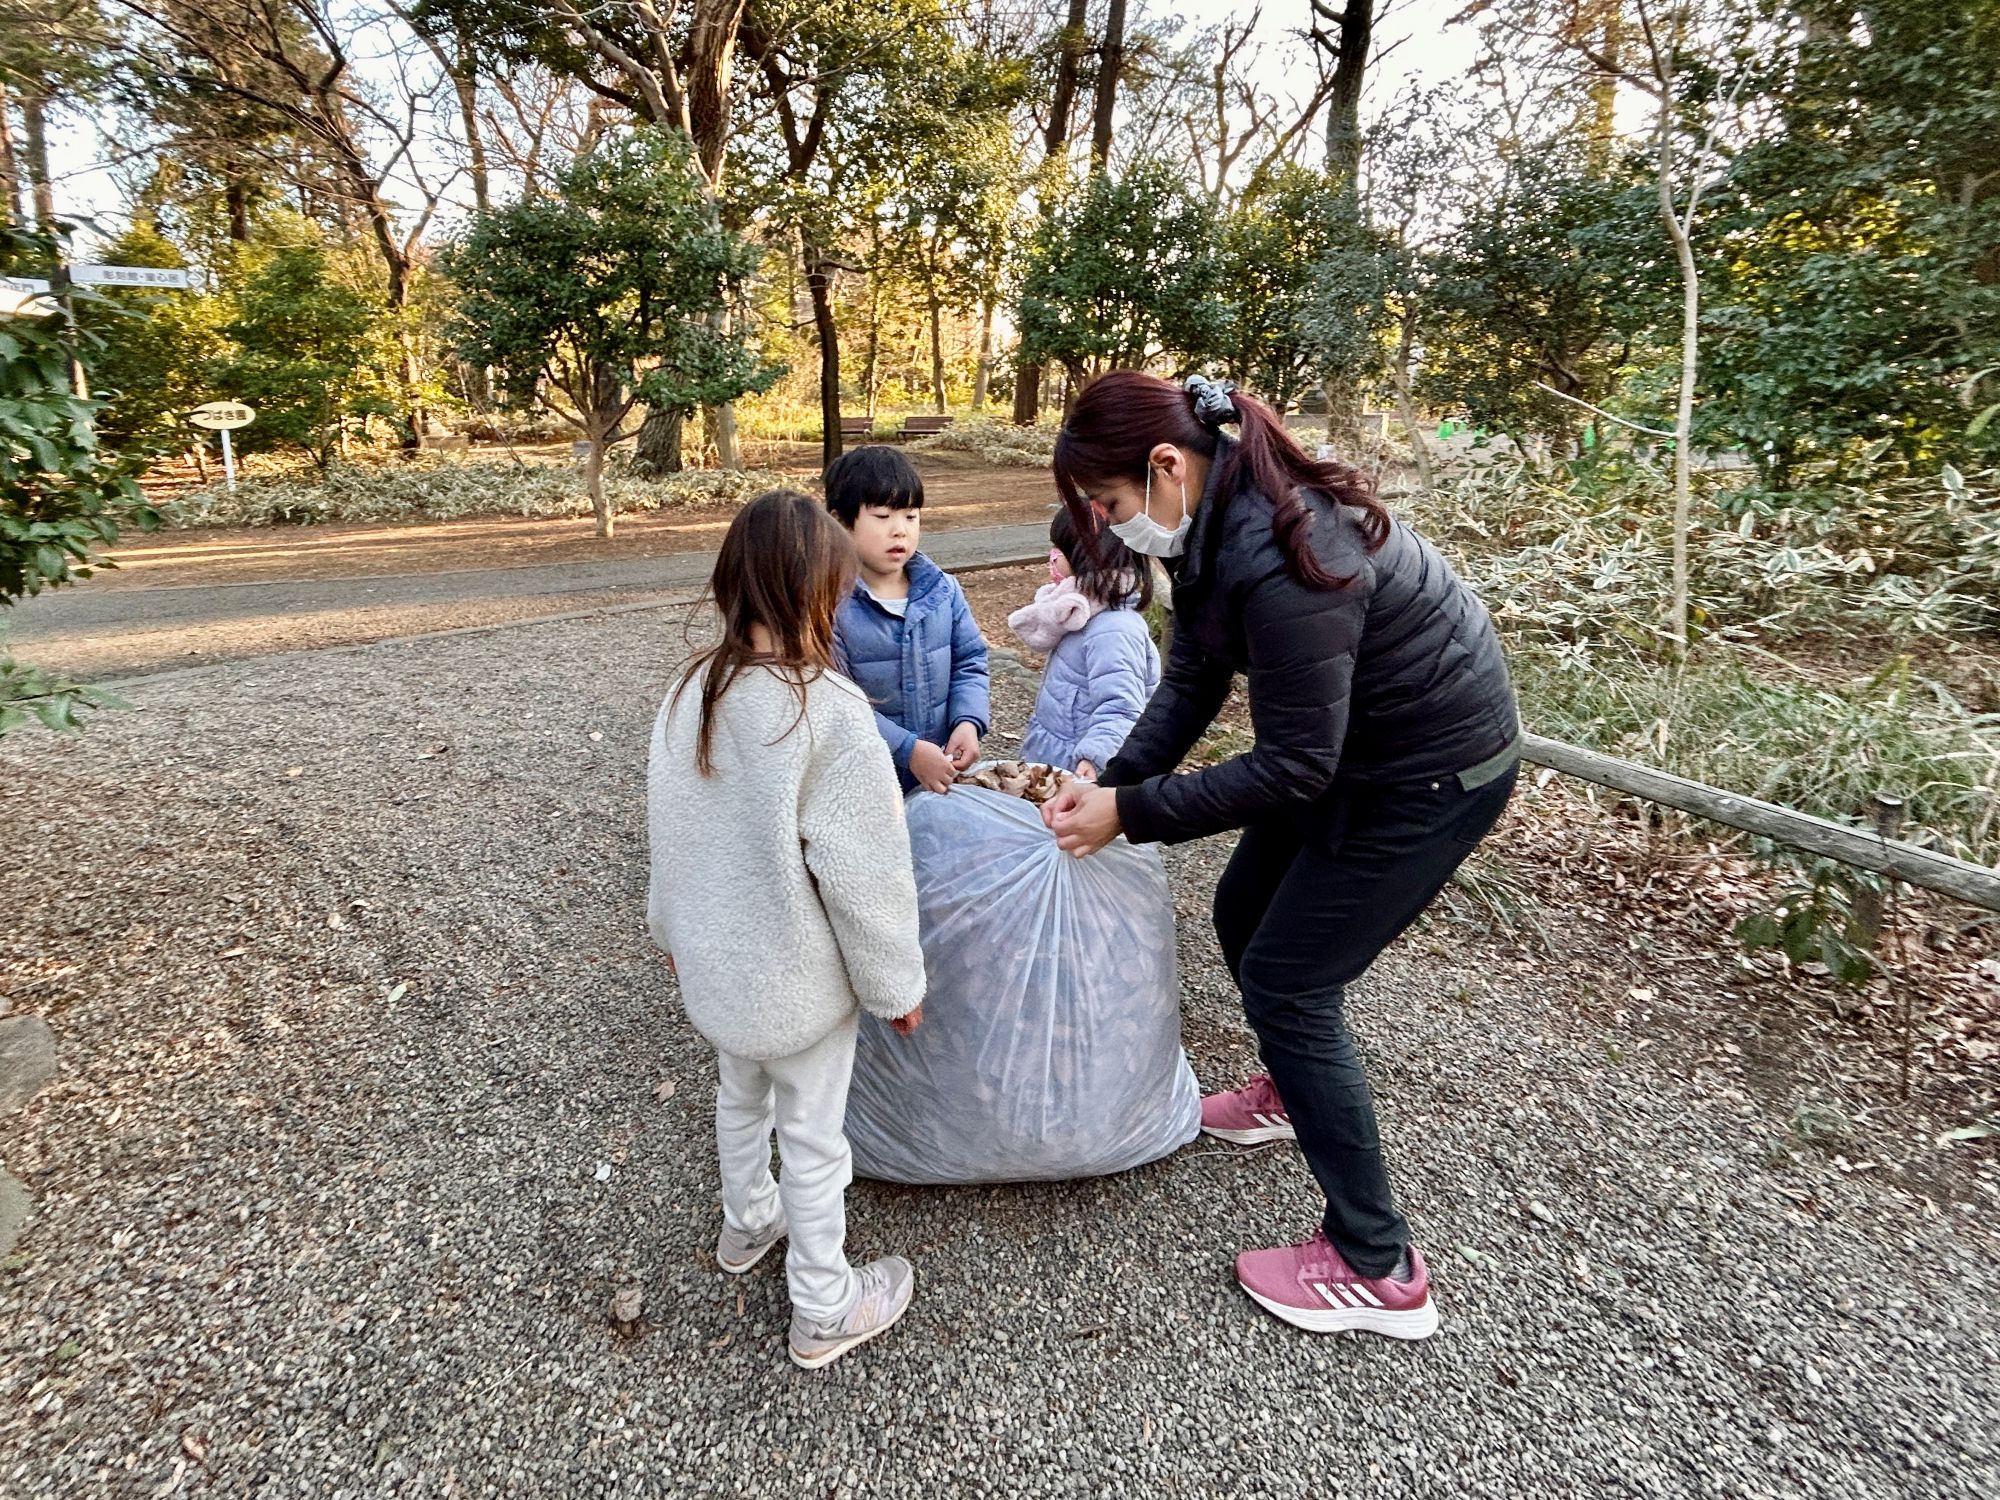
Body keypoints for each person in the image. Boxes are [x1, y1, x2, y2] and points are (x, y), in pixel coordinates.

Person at [1040, 372, 1520, 1342]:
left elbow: (1295, 767)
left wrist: (1131, 813)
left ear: (1166, 465)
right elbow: (1191, 677)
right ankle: (1293, 1092)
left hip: (1430, 775)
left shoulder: (1291, 549)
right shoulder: (1210, 525)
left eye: (1110, 504)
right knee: (1241, 910)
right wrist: (1115, 784)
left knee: (1290, 983)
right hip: (1355, 753)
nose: (1111, 526)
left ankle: (1377, 1265)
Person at [647, 489, 928, 1371]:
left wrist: (671, 929)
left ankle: (746, 1223)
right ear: (821, 592)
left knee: (740, 1099)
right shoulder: (829, 709)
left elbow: (669, 830)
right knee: (813, 1140)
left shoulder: (692, 689)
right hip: (798, 982)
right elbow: (865, 876)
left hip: (717, 969)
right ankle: (824, 1304)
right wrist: (896, 985)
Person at [825, 446, 991, 794]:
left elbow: (970, 661)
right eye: (883, 516)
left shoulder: (943, 591)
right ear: (840, 522)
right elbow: (835, 700)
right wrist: (906, 749)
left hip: (938, 778)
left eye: (911, 516)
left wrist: (968, 721)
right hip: (864, 784)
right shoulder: (828, 605)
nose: (900, 530)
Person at [1006, 507, 1161, 780]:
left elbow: (1122, 707)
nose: (1053, 557)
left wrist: (1094, 757)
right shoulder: (1079, 612)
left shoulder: (1114, 630)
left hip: (1079, 768)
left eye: (1060, 549)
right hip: (1053, 757)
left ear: (1086, 555)